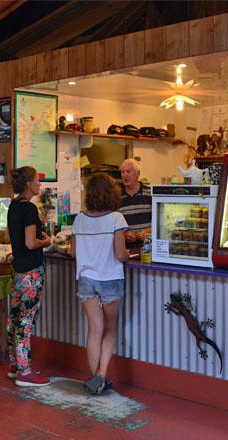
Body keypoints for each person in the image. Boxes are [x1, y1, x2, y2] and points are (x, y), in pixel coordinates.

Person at [71, 173, 129, 395]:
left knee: (95, 329)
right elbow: (121, 254)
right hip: (110, 279)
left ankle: (96, 378)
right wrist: (129, 256)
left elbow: (73, 252)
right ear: (111, 193)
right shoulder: (116, 219)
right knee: (110, 327)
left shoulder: (79, 219)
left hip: (86, 279)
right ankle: (102, 374)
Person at [6, 166, 52, 387]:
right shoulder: (30, 209)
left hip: (16, 270)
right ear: (28, 184)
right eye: (37, 180)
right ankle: (25, 371)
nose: (39, 184)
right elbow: (31, 243)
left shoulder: (13, 206)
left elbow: (11, 237)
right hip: (31, 273)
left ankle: (15, 364)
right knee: (27, 319)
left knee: (15, 317)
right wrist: (48, 241)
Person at [118, 159, 151, 247]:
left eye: (128, 171)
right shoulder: (116, 196)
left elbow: (159, 221)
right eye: (122, 172)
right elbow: (112, 224)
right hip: (126, 249)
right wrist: (124, 234)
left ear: (138, 173)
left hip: (148, 247)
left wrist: (148, 231)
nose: (124, 175)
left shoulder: (150, 193)